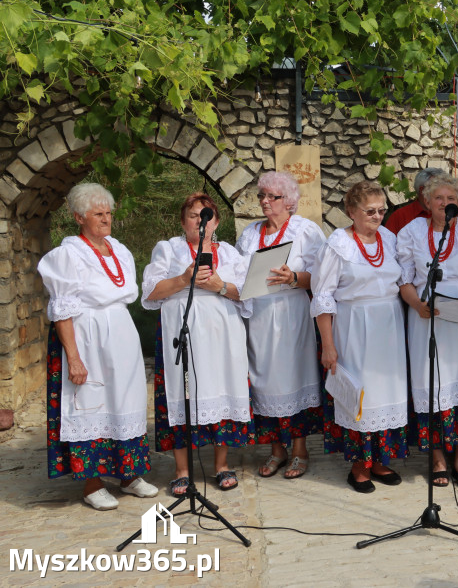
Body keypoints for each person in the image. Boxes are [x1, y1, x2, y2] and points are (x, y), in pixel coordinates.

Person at [38, 183, 158, 511]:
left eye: (108, 213)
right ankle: (92, 483)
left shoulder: (118, 249)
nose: (106, 220)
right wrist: (73, 358)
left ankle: (128, 474)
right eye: (98, 214)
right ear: (79, 217)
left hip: (120, 332)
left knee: (125, 399)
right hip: (86, 334)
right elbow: (62, 309)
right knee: (90, 401)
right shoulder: (68, 255)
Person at [143, 193, 253, 493]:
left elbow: (248, 293)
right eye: (193, 215)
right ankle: (181, 469)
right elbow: (151, 293)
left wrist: (221, 286)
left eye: (206, 215)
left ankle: (221, 465)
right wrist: (183, 279)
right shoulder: (169, 249)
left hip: (223, 334)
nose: (200, 221)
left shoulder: (229, 253)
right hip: (182, 331)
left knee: (223, 388)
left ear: (216, 221)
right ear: (183, 221)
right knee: (182, 390)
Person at [312, 181, 408, 493]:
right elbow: (322, 297)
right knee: (360, 396)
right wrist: (328, 345)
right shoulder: (338, 244)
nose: (378, 216)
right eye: (370, 211)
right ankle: (358, 466)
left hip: (389, 325)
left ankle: (379, 460)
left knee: (386, 393)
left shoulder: (390, 240)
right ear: (351, 211)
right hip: (354, 326)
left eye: (382, 210)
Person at [397, 172, 458, 488]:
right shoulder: (410, 233)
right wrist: (416, 304)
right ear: (427, 201)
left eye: (451, 199)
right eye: (439, 198)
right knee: (432, 380)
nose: (446, 204)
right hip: (426, 315)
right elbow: (405, 280)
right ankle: (437, 459)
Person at [236, 171, 325, 480]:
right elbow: (238, 273)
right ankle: (276, 450)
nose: (263, 201)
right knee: (263, 382)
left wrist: (294, 277)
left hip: (291, 313)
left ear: (289, 202)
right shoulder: (249, 233)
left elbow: (324, 277)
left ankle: (300, 450)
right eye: (261, 195)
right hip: (258, 316)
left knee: (293, 378)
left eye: (271, 197)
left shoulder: (306, 230)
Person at [384, 168, 458, 235]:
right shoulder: (399, 216)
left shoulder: (451, 209)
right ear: (422, 190)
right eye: (435, 186)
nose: (445, 202)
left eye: (450, 197)